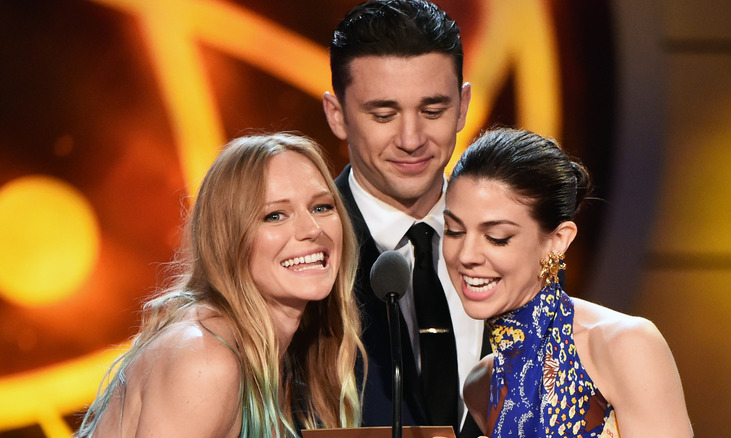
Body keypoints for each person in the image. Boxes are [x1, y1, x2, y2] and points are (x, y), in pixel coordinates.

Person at [77, 133, 364, 438]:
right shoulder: (206, 359)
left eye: (321, 207)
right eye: (275, 215)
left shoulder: (277, 352)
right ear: (228, 238)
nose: (312, 230)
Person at [442, 127, 694, 437]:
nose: (466, 255)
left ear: (558, 240)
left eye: (497, 237)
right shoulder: (481, 386)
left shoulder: (626, 345)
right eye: (454, 231)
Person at [321, 0, 485, 436]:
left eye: (433, 111)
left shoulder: (517, 241)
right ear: (337, 115)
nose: (411, 139)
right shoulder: (303, 248)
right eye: (384, 114)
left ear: (463, 105)